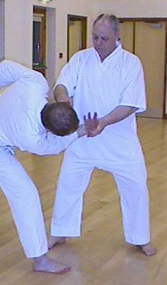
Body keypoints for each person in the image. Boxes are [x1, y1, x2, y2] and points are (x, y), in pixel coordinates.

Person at [0, 60, 94, 274]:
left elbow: (5, 67)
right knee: (25, 193)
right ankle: (39, 258)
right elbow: (55, 146)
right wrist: (82, 131)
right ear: (49, 129)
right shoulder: (31, 136)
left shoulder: (36, 83)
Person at [48, 14, 157, 256]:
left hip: (120, 141)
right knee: (67, 184)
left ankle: (140, 237)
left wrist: (104, 122)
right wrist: (63, 100)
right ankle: (60, 230)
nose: (98, 42)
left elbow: (130, 104)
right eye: (95, 37)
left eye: (104, 38)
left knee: (136, 187)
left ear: (118, 36)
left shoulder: (130, 63)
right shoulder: (81, 59)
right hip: (83, 138)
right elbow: (62, 83)